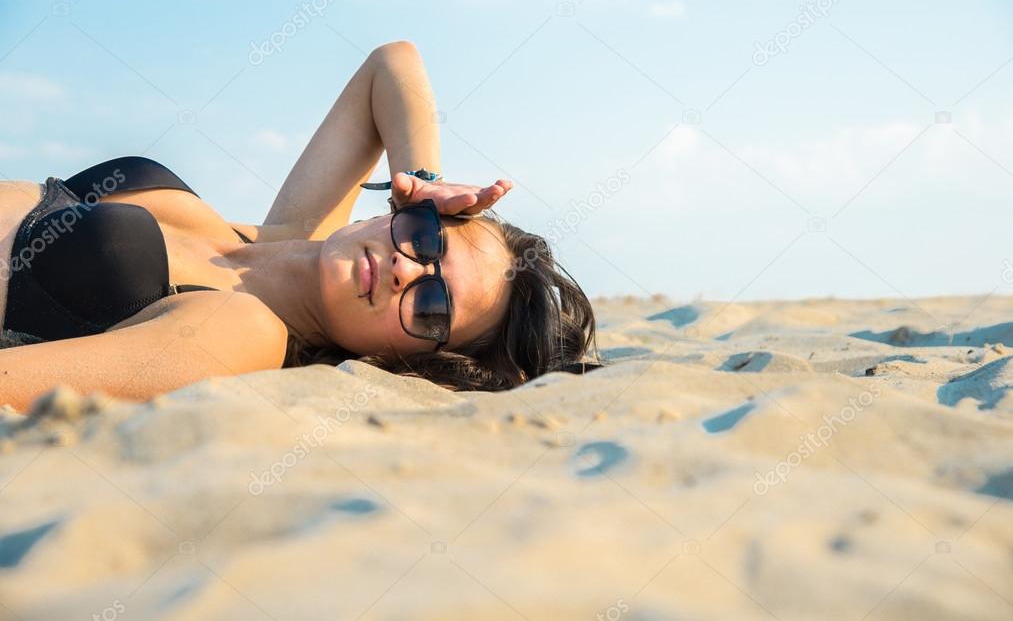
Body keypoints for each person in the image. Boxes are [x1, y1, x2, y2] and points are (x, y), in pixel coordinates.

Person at [0, 41, 600, 412]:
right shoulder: (292, 232)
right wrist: (420, 176)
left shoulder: (243, 330)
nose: (405, 268)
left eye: (433, 306)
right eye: (428, 239)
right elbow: (391, 64)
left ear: (418, 359)